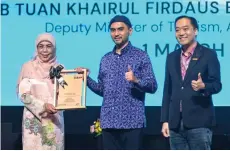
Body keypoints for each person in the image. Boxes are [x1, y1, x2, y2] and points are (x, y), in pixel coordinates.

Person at [76, 15, 157, 150]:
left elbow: (153, 86)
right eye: (113, 30)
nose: (116, 33)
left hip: (132, 122)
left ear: (130, 31)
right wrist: (86, 79)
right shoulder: (106, 59)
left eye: (120, 29)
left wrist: (136, 80)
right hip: (109, 122)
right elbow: (102, 90)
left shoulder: (140, 55)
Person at [161, 15, 222, 150]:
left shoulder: (208, 54)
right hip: (175, 123)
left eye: (185, 29)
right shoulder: (171, 57)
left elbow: (217, 84)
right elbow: (167, 90)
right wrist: (165, 120)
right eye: (177, 30)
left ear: (195, 31)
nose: (181, 33)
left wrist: (203, 86)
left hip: (199, 122)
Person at [17, 33, 64, 150]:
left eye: (49, 46)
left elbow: (65, 95)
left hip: (54, 121)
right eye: (40, 46)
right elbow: (24, 96)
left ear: (54, 48)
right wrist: (43, 106)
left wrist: (79, 76)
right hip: (34, 123)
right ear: (36, 48)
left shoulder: (60, 68)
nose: (44, 50)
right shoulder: (28, 66)